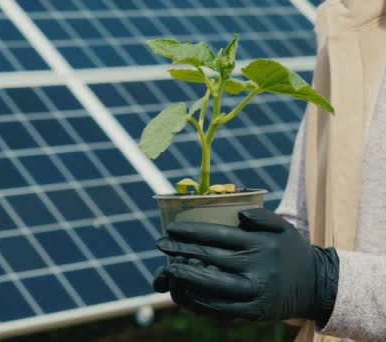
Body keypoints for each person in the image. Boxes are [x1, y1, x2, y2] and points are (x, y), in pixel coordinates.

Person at [152, 1, 386, 341]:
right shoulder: (350, 25)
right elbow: (305, 223)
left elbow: (314, 276)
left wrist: (326, 283)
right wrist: (240, 267)